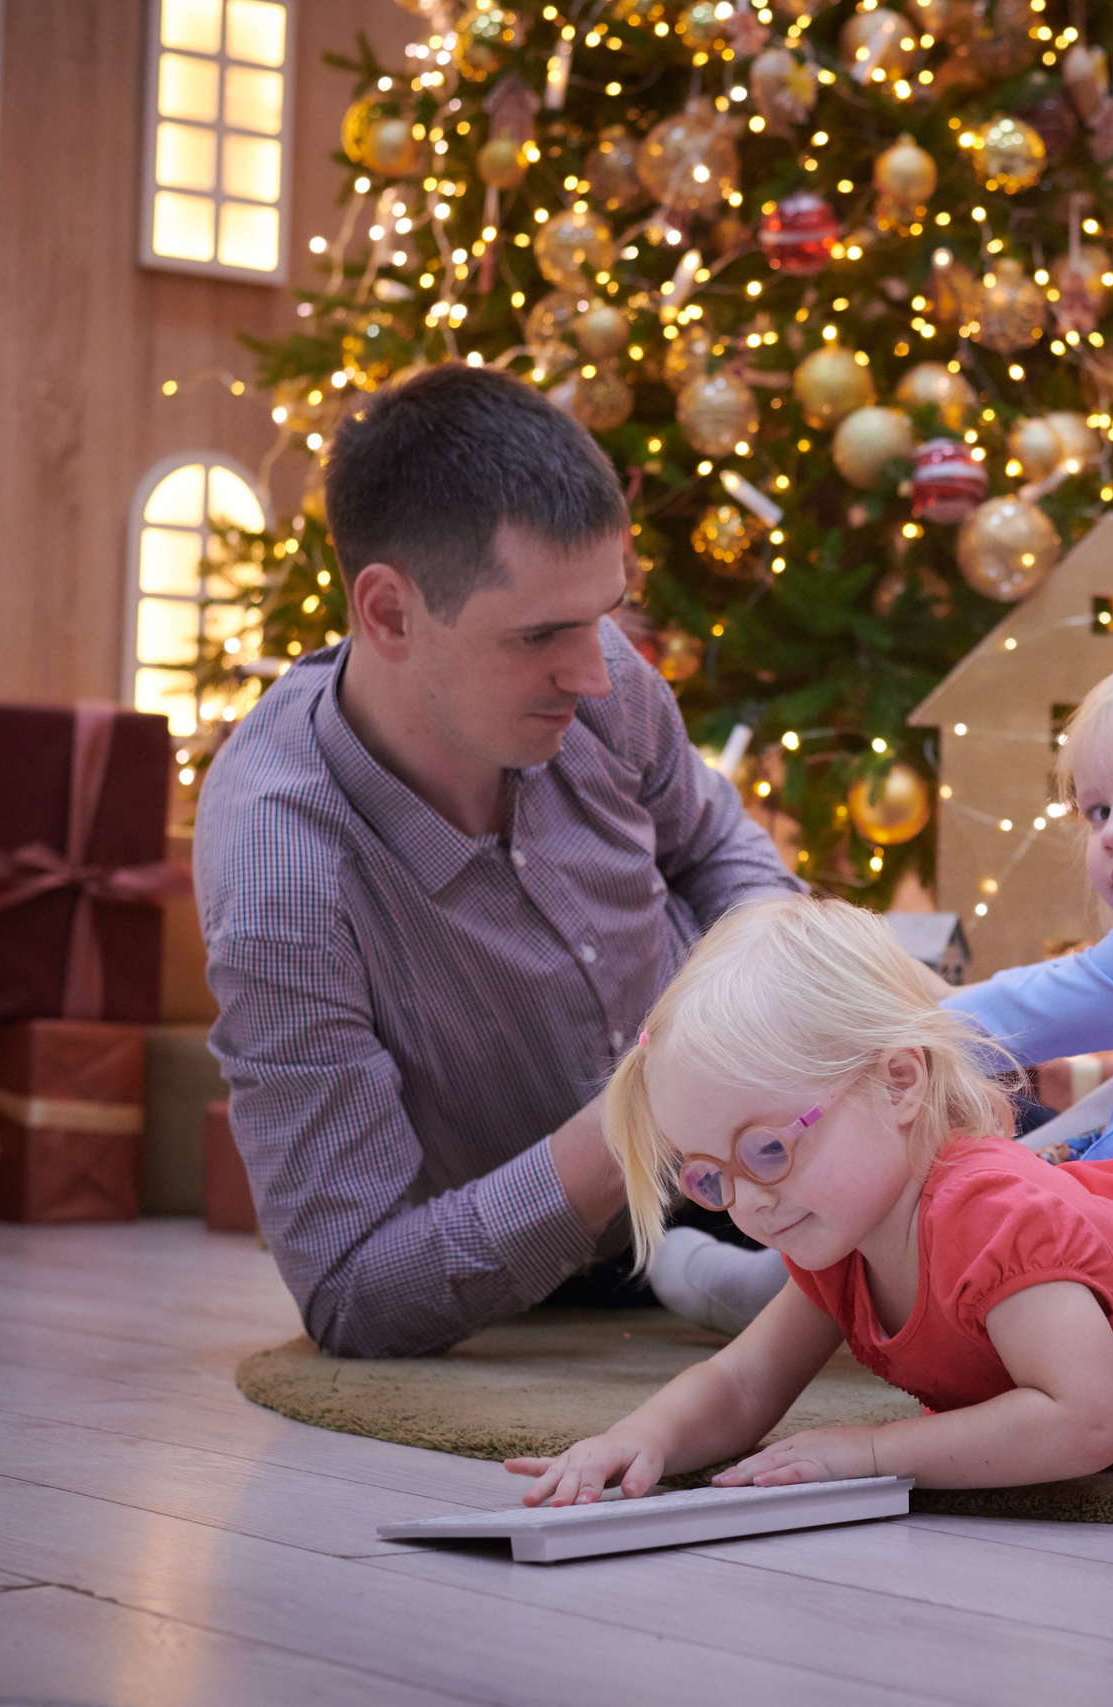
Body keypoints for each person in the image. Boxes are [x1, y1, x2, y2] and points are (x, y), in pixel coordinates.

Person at [194, 365, 802, 1359]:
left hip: (769, 1135)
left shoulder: (596, 680)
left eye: (603, 615)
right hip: (575, 1260)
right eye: (540, 635)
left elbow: (720, 850)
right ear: (387, 613)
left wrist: (777, 999)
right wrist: (641, 1118)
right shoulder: (285, 880)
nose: (596, 673)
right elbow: (352, 1290)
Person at [503, 895, 1113, 1505]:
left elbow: (1083, 1417)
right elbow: (743, 1384)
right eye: (710, 1177)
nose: (748, 1202)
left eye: (771, 1149)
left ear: (899, 1083)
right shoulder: (842, 1231)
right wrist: (633, 1439)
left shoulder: (989, 1211)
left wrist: (868, 1453)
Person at [643, 644, 1113, 1334]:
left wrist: (831, 1036)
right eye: (1099, 810)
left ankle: (793, 1291)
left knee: (923, 1131)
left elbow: (985, 1022)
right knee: (1078, 1105)